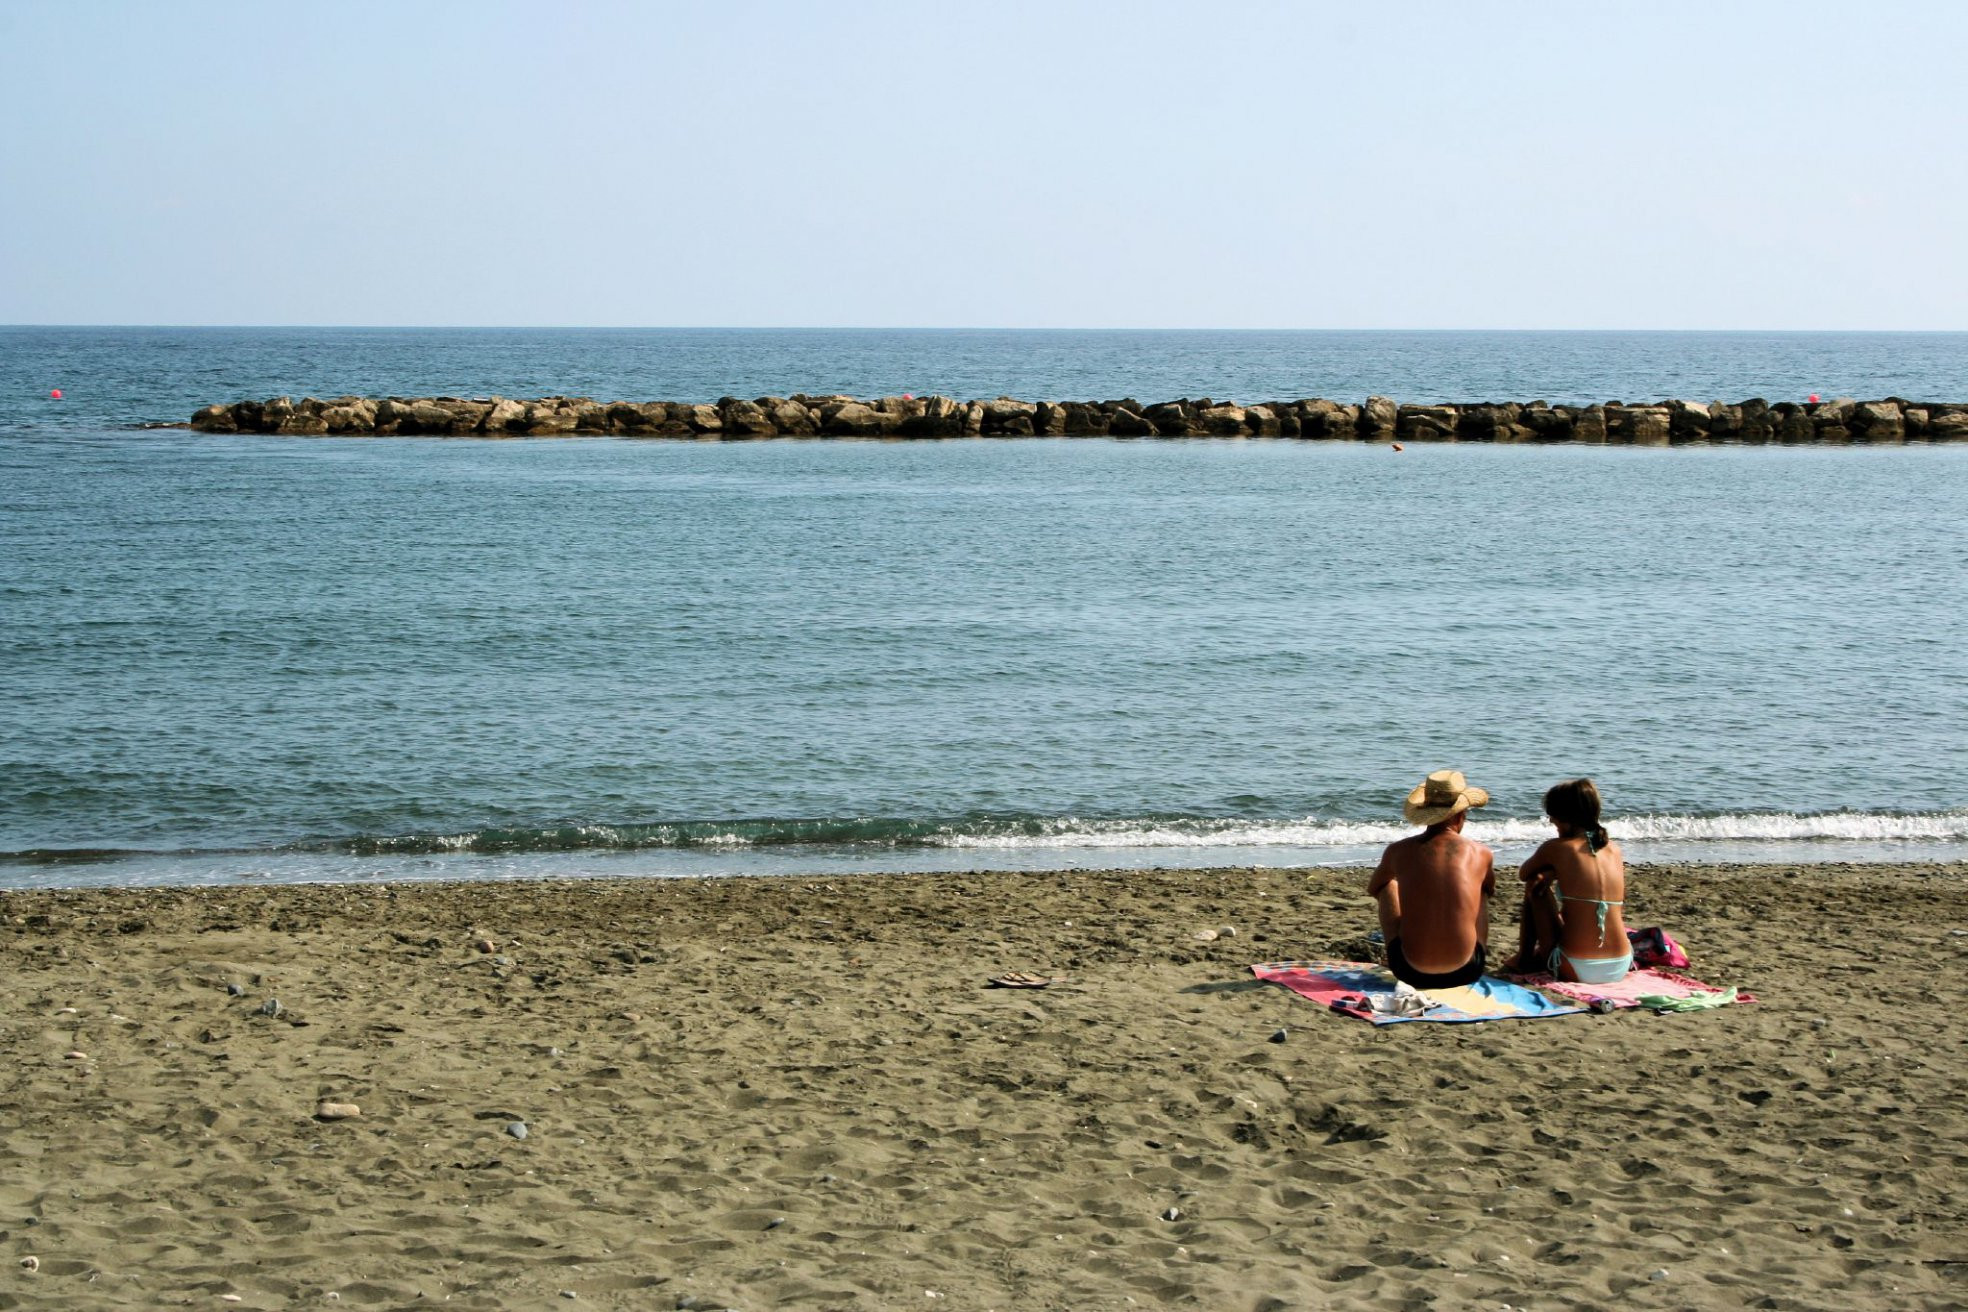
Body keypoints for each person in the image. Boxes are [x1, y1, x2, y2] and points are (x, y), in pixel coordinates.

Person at [1367, 770, 1496, 989]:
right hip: (1466, 971)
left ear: (1424, 811)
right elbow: (1489, 890)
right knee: (1481, 890)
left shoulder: (1398, 851)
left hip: (1409, 971)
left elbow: (1374, 888)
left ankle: (1395, 948)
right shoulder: (1481, 852)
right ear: (1462, 813)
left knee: (1388, 885)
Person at [1502, 778, 1630, 983]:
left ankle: (1523, 958)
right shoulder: (1614, 850)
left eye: (1553, 818)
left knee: (1534, 882)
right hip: (1620, 963)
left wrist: (1551, 870)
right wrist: (1555, 871)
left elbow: (1524, 873)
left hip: (1575, 966)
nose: (1552, 823)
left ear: (1566, 818)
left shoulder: (1557, 847)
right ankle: (1527, 957)